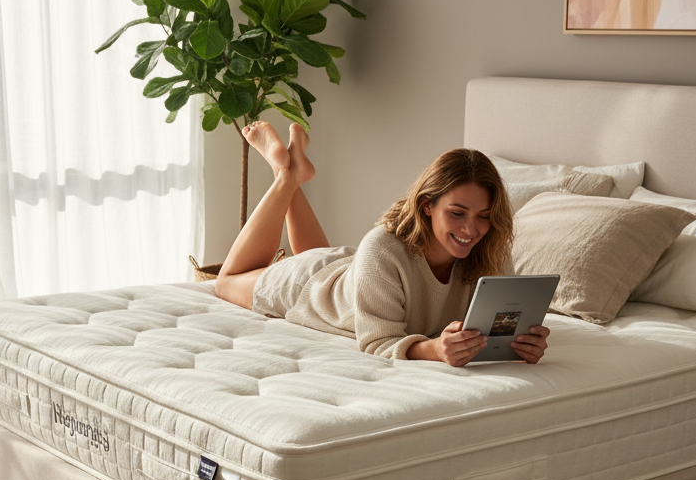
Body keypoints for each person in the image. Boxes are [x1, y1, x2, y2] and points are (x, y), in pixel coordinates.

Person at [215, 121, 550, 367]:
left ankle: (293, 172)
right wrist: (433, 350)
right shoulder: (384, 248)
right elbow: (377, 341)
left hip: (357, 274)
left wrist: (523, 343)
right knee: (226, 282)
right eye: (458, 213)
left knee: (320, 253)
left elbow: (499, 326)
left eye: (484, 216)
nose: (471, 229)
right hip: (311, 285)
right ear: (427, 206)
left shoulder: (491, 250)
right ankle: (285, 174)